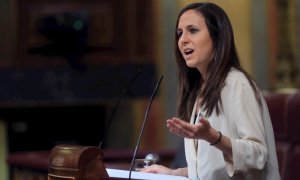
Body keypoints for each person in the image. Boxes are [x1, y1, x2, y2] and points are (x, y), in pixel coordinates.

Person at [140, 2, 281, 180]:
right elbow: (211, 170)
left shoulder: (237, 84)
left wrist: (214, 137)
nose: (183, 39)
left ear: (217, 37)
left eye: (192, 30)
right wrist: (173, 173)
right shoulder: (199, 90)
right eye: (179, 33)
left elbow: (258, 155)